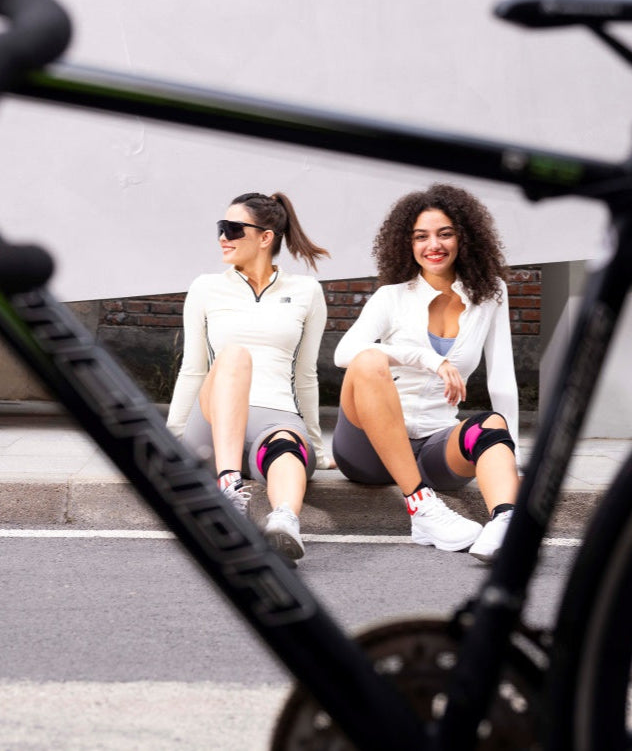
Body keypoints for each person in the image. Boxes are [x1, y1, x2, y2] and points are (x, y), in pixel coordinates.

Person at [332, 183, 521, 562]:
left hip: (436, 446)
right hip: (369, 449)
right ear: (408, 243)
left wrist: (510, 452)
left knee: (492, 424)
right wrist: (427, 358)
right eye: (421, 237)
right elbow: (343, 353)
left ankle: (505, 524)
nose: (433, 245)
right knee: (368, 360)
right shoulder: (392, 296)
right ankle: (422, 507)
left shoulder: (491, 295)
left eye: (445, 233)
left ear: (464, 238)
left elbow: (502, 376)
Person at [167, 191, 333, 563]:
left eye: (232, 229)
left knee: (287, 445)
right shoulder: (206, 287)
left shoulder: (306, 291)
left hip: (275, 416)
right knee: (235, 357)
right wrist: (172, 439)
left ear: (265, 237)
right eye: (220, 228)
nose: (223, 237)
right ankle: (229, 487)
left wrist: (318, 450)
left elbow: (306, 375)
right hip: (210, 425)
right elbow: (193, 368)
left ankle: (285, 520)